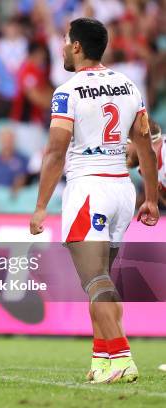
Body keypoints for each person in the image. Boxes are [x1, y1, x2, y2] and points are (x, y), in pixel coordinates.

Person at [30, 18, 159, 384]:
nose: (61, 46)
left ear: (76, 47)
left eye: (64, 40)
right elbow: (146, 146)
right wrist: (150, 198)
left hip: (89, 187)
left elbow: (55, 152)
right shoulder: (127, 84)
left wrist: (41, 205)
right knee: (102, 278)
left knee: (95, 279)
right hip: (121, 189)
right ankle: (102, 359)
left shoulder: (67, 91)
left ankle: (121, 354)